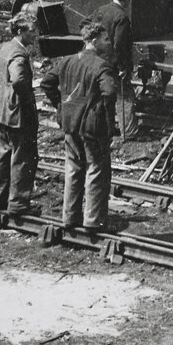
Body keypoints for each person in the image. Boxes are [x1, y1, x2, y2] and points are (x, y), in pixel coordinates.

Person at [41, 19, 118, 232]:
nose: (108, 43)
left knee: (73, 169)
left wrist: (61, 105)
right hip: (92, 127)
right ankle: (93, 221)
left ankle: (70, 218)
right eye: (105, 39)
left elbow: (47, 82)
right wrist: (105, 115)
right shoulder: (101, 65)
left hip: (69, 123)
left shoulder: (67, 61)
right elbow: (110, 92)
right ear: (93, 40)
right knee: (95, 169)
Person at [0, 14, 39, 222]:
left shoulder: (3, 47)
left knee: (3, 154)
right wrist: (25, 99)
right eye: (31, 30)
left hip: (1, 111)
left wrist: (1, 93)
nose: (35, 34)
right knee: (23, 156)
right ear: (20, 32)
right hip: (17, 113)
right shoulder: (18, 54)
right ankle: (17, 204)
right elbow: (17, 79)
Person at [93, 0, 138, 139]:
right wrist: (123, 66)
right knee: (125, 97)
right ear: (126, 0)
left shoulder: (101, 10)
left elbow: (88, 28)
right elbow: (120, 45)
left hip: (97, 61)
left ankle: (104, 130)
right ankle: (129, 133)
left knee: (102, 96)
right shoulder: (122, 17)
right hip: (113, 65)